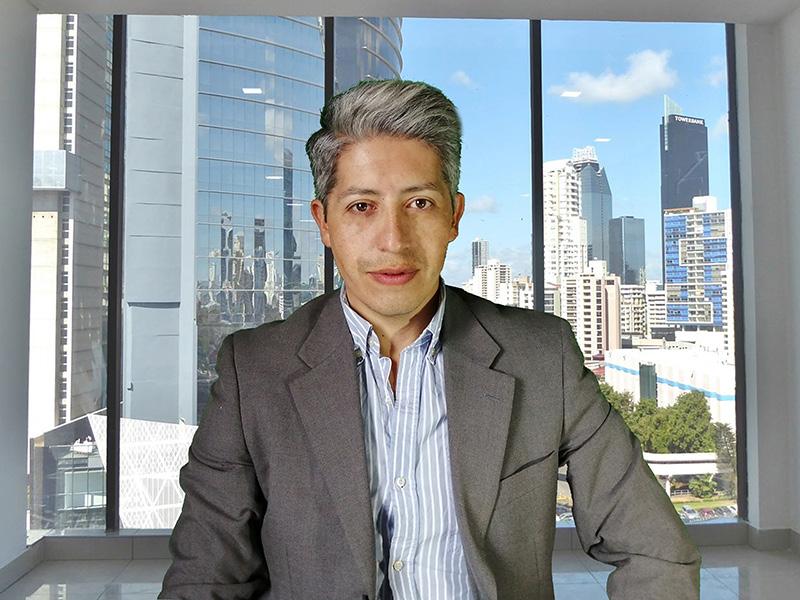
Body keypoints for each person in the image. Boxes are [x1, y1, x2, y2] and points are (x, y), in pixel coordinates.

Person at [159, 79, 701, 600]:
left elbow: (654, 550)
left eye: (418, 203)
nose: (393, 241)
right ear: (324, 223)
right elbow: (206, 577)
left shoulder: (542, 357)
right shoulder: (254, 370)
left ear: (454, 216)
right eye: (362, 207)